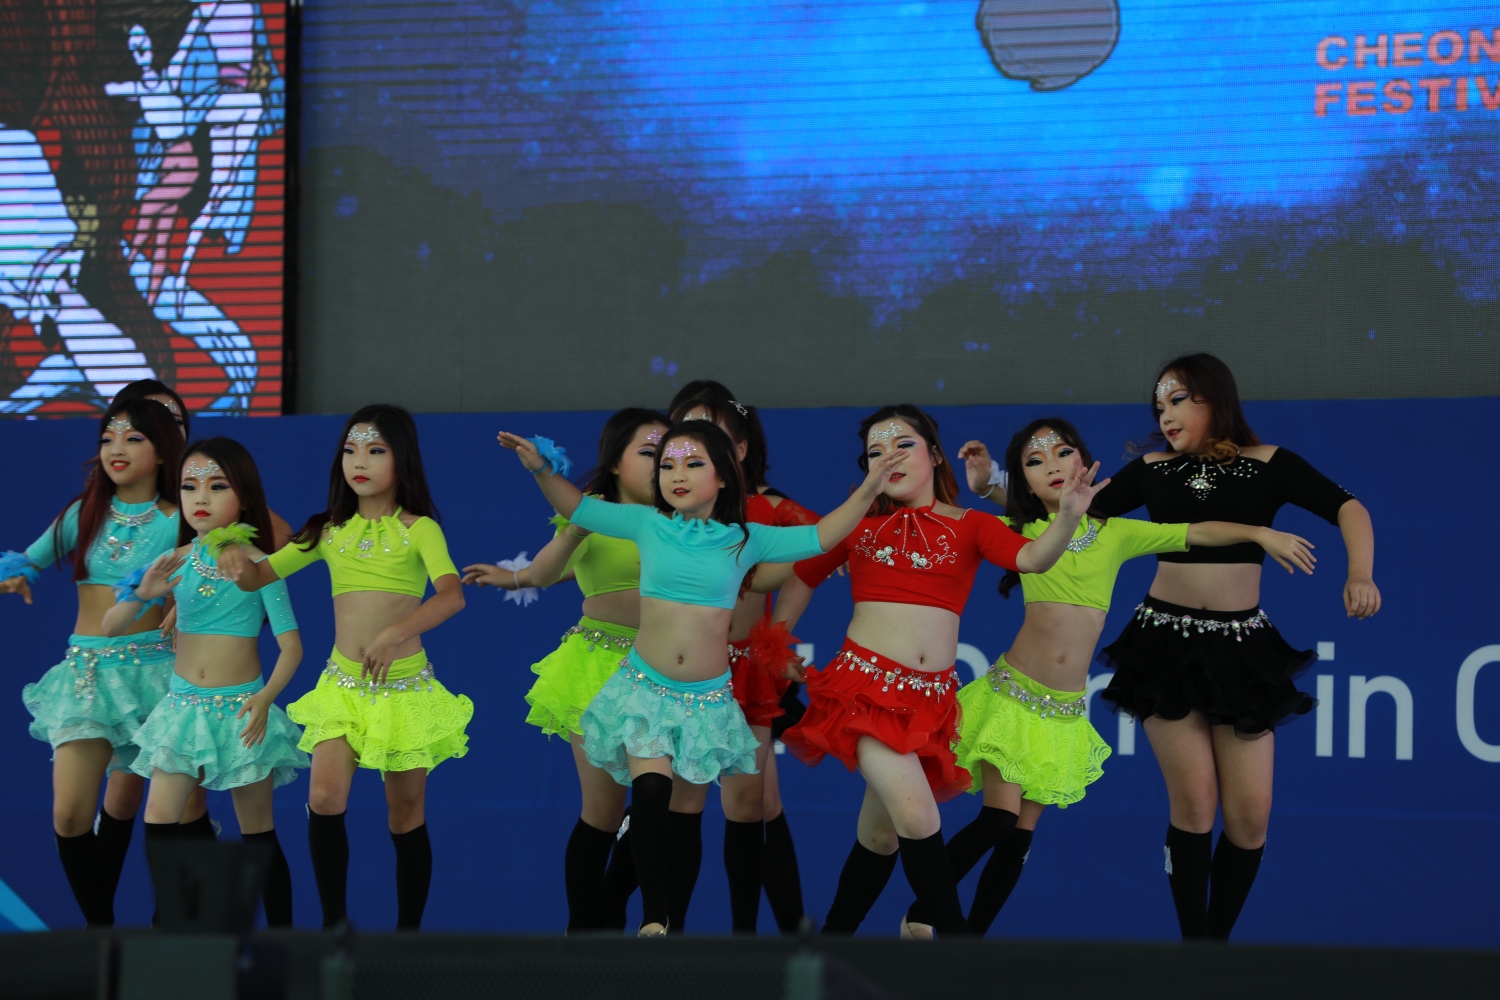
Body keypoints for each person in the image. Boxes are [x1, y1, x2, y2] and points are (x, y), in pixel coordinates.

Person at [906, 416, 1315, 937]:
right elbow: (953, 522)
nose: (1052, 466)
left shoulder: (1114, 532)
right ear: (1023, 480)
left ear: (1084, 459)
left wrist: (1258, 532)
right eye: (1035, 461)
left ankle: (970, 940)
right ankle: (926, 910)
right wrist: (985, 483)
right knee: (999, 819)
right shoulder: (1021, 530)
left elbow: (1196, 532)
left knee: (1020, 837)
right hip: (1011, 699)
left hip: (1061, 713)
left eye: (1062, 453)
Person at [497, 418, 905, 936]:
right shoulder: (647, 523)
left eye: (693, 464)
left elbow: (821, 536)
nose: (677, 474)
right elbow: (577, 507)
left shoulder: (745, 539)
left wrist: (871, 488)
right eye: (667, 465)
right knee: (649, 793)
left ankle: (656, 916)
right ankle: (655, 916)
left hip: (707, 700)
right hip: (644, 688)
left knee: (677, 810)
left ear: (723, 477)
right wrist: (540, 469)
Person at [776, 405, 1102, 937]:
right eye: (876, 452)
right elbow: (802, 572)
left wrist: (1067, 517)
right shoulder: (856, 525)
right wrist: (778, 639)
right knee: (919, 816)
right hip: (863, 693)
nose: (889, 458)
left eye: (903, 445)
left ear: (933, 454)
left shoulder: (972, 525)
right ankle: (955, 953)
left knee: (880, 837)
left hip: (927, 704)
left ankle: (831, 946)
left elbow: (1033, 559)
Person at [1090, 353, 1379, 940]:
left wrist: (1360, 573)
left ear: (1214, 399)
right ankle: (1195, 950)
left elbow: (1348, 506)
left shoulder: (1269, 463)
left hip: (1243, 649)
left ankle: (1215, 947)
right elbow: (1070, 516)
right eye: (1159, 405)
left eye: (1178, 400)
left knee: (1249, 818)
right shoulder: (1151, 470)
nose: (1165, 415)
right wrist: (994, 487)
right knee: (1195, 804)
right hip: (1163, 644)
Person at [217, 405, 471, 931]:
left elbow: (451, 597)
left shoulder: (420, 529)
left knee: (404, 815)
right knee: (324, 798)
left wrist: (395, 632)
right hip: (342, 687)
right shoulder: (327, 531)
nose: (360, 461)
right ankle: (334, 928)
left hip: (405, 691)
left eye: (376, 450)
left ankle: (407, 938)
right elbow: (258, 577)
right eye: (351, 450)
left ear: (402, 460)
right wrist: (237, 557)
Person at [462, 408, 667, 932]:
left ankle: (622, 916)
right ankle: (583, 933)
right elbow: (544, 572)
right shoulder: (593, 512)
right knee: (603, 812)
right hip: (597, 666)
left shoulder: (684, 520)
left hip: (664, 666)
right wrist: (529, 564)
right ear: (616, 463)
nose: (661, 464)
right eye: (648, 452)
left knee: (654, 802)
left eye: (668, 454)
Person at [1, 399, 190, 924]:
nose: (116, 449)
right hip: (87, 678)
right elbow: (26, 560)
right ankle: (101, 931)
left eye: (133, 438)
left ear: (162, 451)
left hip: (159, 677)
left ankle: (172, 936)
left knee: (176, 815)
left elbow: (213, 576)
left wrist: (181, 606)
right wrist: (12, 576)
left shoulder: (179, 520)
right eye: (108, 438)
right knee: (69, 816)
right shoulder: (81, 514)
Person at [103, 437, 306, 926]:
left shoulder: (261, 568)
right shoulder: (175, 563)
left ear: (244, 495)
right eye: (189, 486)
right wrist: (143, 593)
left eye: (217, 486)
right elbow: (110, 628)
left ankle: (285, 939)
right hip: (181, 711)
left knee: (258, 833)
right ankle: (172, 927)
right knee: (158, 818)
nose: (200, 497)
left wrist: (265, 699)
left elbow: (293, 648)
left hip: (242, 713)